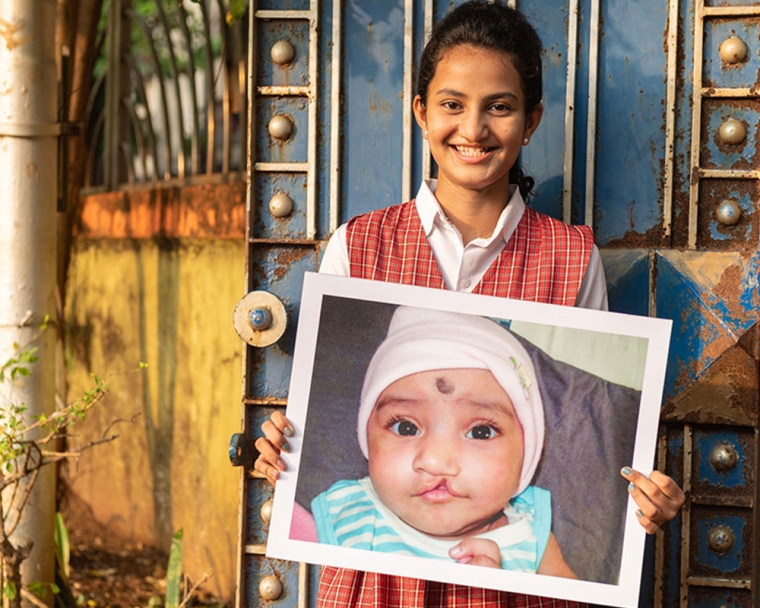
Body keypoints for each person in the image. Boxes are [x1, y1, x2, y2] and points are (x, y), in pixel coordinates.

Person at [255, 1, 685, 606]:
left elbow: (602, 469)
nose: (473, 129)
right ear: (421, 113)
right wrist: (281, 449)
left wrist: (641, 501)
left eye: (499, 107)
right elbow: (297, 448)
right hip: (376, 591)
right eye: (452, 104)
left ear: (531, 119)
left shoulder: (570, 257)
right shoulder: (360, 245)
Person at [304, 306, 575, 577]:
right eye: (406, 427)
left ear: (527, 453)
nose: (435, 461)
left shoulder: (531, 536)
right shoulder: (346, 515)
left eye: (481, 432)